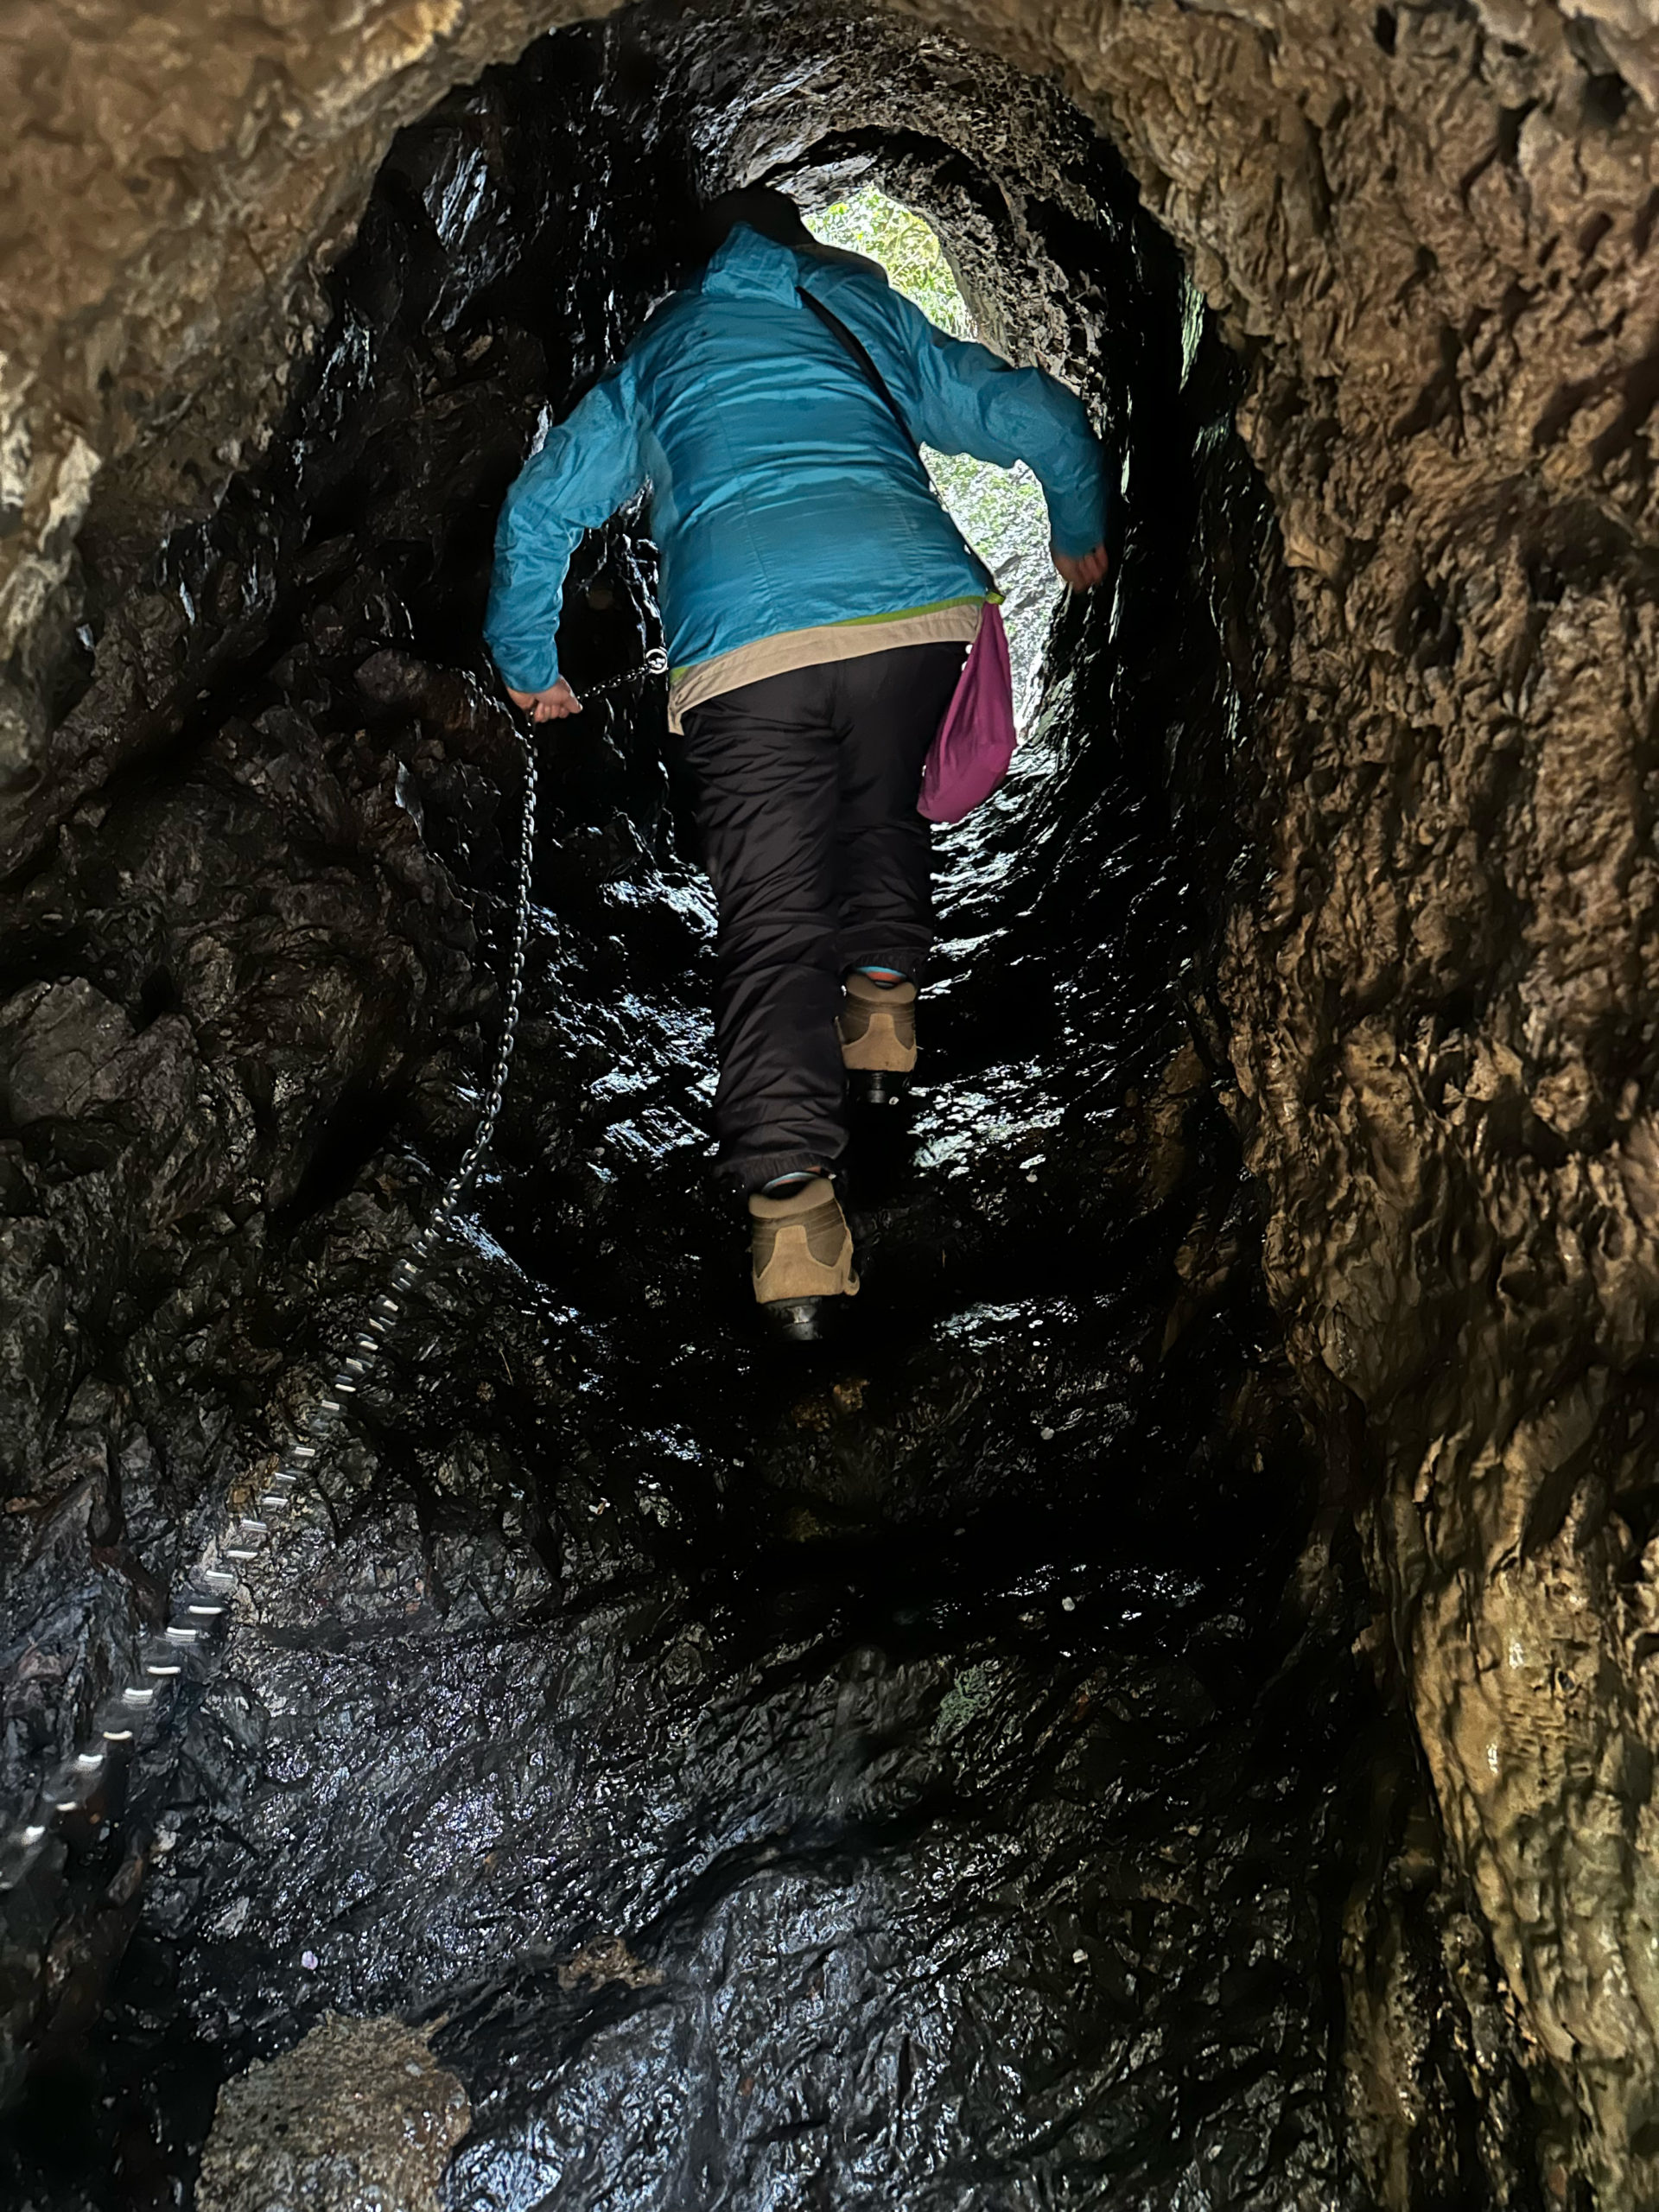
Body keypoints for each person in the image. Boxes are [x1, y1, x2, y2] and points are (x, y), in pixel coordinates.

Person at [486, 187, 1109, 1337]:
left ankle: (796, 1237)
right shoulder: (857, 308)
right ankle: (881, 1044)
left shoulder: (665, 350)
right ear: (802, 245)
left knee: (772, 917)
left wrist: (532, 665)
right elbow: (1029, 412)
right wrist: (1078, 527)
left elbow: (540, 509)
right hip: (910, 618)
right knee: (883, 813)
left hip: (747, 652)